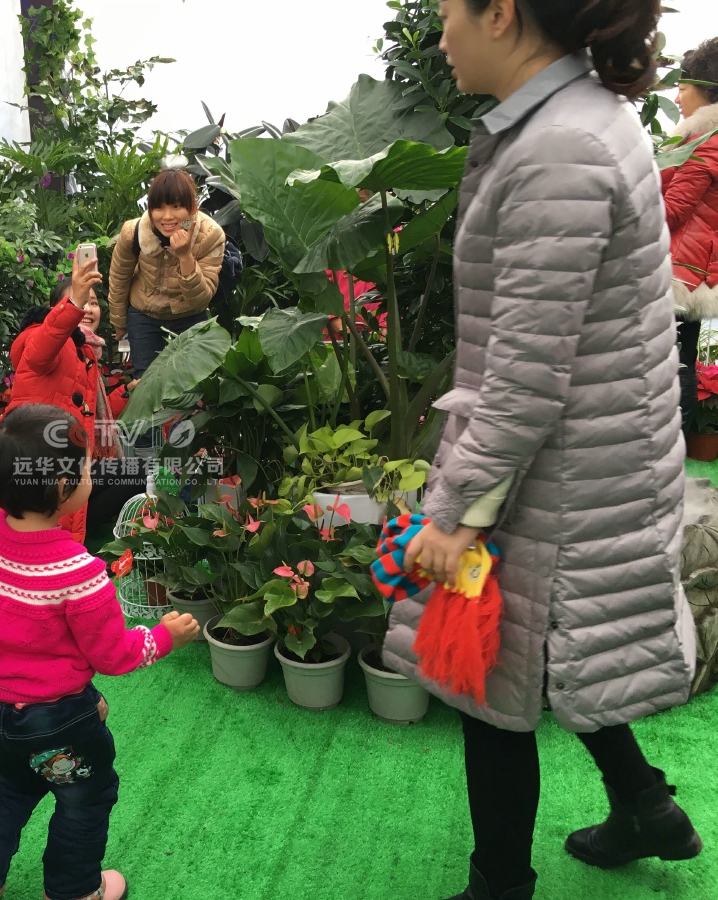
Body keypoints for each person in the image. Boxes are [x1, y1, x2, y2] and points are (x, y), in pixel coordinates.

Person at [381, 3, 703, 899]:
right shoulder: (583, 119)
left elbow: (524, 380)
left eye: (450, 10)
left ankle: (499, 886)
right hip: (591, 457)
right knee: (556, 647)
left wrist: (455, 514)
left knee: (487, 676)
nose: (441, 33)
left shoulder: (559, 148)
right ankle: (646, 806)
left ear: (501, 13)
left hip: (559, 472)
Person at [0, 404, 199, 900]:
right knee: (86, 797)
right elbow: (113, 656)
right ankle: (75, 888)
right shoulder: (78, 572)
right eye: (86, 467)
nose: (91, 474)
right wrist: (165, 636)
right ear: (62, 489)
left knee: (8, 784)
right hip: (55, 719)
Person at [0, 258, 142, 540]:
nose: (88, 309)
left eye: (93, 303)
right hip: (41, 458)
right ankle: (67, 533)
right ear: (58, 308)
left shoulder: (85, 351)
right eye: (81, 300)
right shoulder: (39, 337)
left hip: (70, 456)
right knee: (135, 472)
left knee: (136, 471)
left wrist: (129, 392)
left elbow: (89, 412)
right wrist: (74, 303)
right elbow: (42, 350)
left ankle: (77, 531)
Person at [106, 165, 225, 377]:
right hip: (144, 313)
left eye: (177, 206)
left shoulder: (210, 235)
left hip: (189, 315)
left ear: (192, 208)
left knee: (193, 381)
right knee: (145, 380)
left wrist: (185, 256)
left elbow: (200, 301)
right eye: (159, 207)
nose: (167, 216)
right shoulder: (133, 232)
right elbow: (119, 279)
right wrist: (119, 324)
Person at [661, 37, 718, 433]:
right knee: (678, 360)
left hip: (680, 272)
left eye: (682, 88)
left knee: (668, 363)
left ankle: (669, 446)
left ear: (706, 92)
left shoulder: (702, 143)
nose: (677, 98)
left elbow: (671, 210)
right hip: (697, 271)